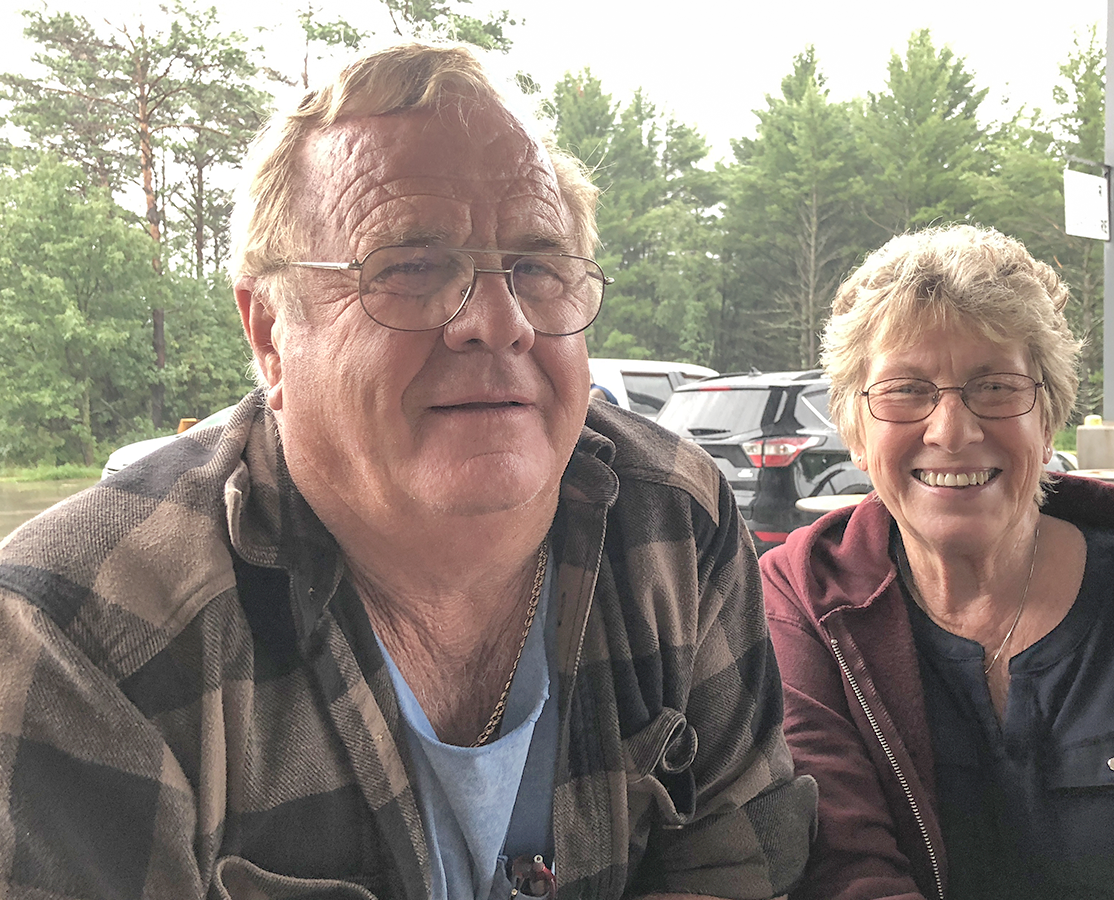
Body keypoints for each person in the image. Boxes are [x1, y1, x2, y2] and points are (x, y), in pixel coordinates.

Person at [0, 44, 815, 900]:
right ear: (271, 332)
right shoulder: (84, 637)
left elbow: (743, 862)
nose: (499, 321)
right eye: (412, 268)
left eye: (537, 268)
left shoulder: (675, 524)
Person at [760, 224, 1114, 900]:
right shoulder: (803, 603)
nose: (953, 431)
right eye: (906, 389)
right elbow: (844, 867)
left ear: (1047, 419)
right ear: (854, 431)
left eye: (994, 386)